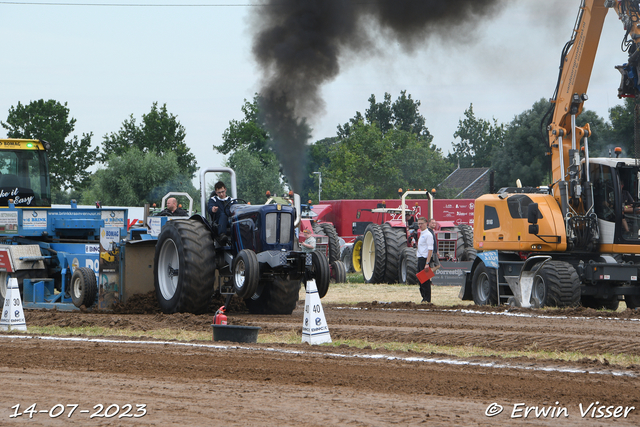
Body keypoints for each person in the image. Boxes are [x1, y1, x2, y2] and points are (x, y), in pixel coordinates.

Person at [416, 217, 434, 303]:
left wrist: (427, 263)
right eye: (419, 223)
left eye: (421, 223)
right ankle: (424, 298)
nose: (420, 225)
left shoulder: (428, 235)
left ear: (426, 223)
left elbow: (430, 250)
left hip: (424, 259)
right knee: (421, 280)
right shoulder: (422, 234)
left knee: (425, 281)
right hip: (420, 258)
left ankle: (427, 299)